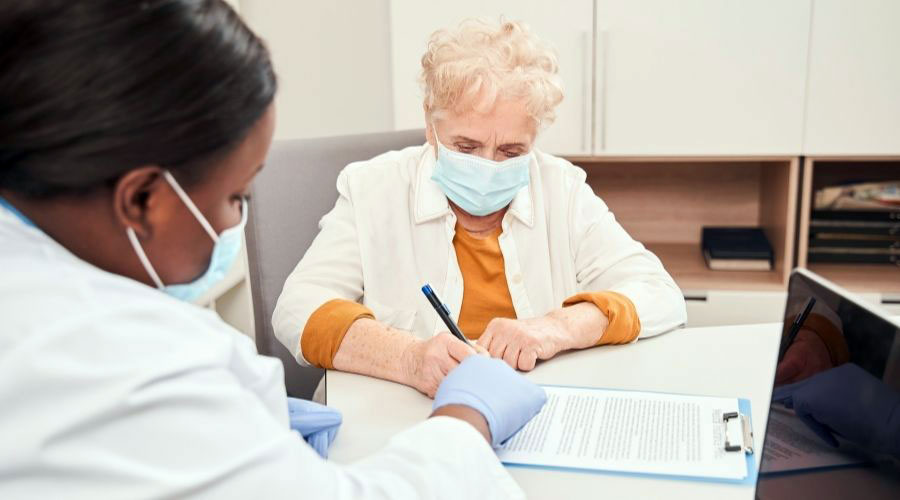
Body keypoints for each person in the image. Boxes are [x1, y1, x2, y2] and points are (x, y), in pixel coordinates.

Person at [0, 2, 546, 498]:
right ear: (142, 198)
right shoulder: (120, 365)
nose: (235, 220)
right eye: (235, 196)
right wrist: (465, 418)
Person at [274, 18, 687, 398]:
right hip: (402, 418)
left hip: (532, 411)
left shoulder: (561, 188)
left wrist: (555, 328)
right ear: (430, 126)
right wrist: (408, 358)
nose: (488, 167)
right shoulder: (372, 189)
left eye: (511, 151)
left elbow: (659, 294)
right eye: (466, 147)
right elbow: (298, 307)